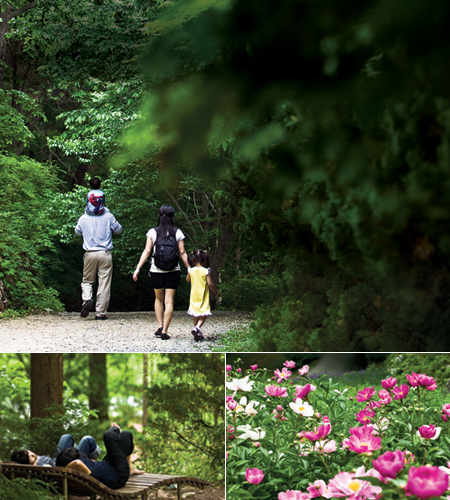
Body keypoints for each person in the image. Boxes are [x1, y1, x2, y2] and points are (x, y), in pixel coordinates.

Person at [133, 205, 189, 340]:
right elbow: (182, 252)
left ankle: (159, 325)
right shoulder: (177, 232)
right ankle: (165, 330)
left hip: (156, 270)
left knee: (158, 298)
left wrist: (138, 268)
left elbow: (147, 251)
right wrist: (189, 268)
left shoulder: (153, 232)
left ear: (159, 216)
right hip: (173, 270)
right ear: (172, 217)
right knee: (169, 301)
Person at [75, 184, 122, 320]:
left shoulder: (83, 218)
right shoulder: (108, 217)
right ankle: (100, 313)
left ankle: (87, 299)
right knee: (104, 282)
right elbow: (118, 230)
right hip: (105, 253)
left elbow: (77, 232)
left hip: (89, 253)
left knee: (87, 280)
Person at [56, 423, 143, 490]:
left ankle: (130, 468)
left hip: (107, 465)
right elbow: (77, 463)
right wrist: (64, 470)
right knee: (108, 436)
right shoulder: (83, 470)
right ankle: (116, 430)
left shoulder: (81, 466)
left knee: (125, 436)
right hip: (118, 475)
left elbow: (77, 462)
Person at [186, 249, 220, 341]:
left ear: (193, 259)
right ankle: (197, 328)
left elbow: (188, 280)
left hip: (194, 295)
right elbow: (210, 284)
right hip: (203, 295)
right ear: (204, 259)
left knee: (196, 314)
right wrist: (216, 292)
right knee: (203, 314)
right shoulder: (206, 271)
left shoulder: (191, 270)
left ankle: (196, 329)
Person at [11, 434, 101, 467]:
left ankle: (76, 451)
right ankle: (90, 462)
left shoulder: (34, 459)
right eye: (30, 457)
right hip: (66, 463)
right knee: (88, 440)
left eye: (29, 452)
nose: (33, 455)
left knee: (66, 437)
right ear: (28, 464)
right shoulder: (40, 467)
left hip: (58, 457)